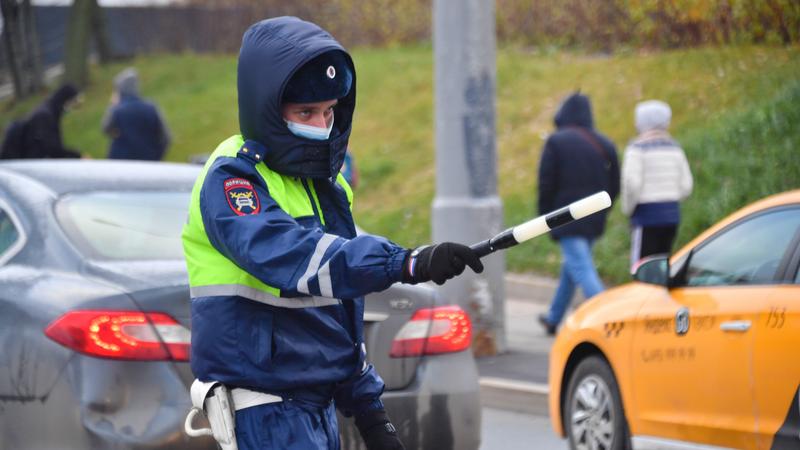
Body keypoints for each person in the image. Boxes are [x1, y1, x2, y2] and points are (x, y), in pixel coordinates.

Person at [181, 16, 483, 450]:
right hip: (264, 412)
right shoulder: (234, 179)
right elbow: (294, 257)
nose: (321, 125)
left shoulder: (325, 186)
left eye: (328, 111)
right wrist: (405, 262)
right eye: (305, 112)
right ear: (267, 109)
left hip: (314, 412)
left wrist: (371, 415)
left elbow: (337, 312)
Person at [536, 92, 619, 335]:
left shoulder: (556, 142)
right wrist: (603, 208)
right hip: (594, 217)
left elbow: (546, 183)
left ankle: (610, 318)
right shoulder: (604, 143)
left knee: (581, 268)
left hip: (566, 216)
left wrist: (545, 217)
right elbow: (615, 184)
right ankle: (553, 317)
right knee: (573, 266)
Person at [621, 100, 693, 271]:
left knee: (641, 267)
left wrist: (628, 209)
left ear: (641, 123)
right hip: (672, 215)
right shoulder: (675, 148)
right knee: (662, 264)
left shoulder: (636, 149)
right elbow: (686, 186)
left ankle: (642, 289)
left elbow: (631, 184)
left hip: (646, 216)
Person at [102, 67, 171, 160]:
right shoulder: (152, 108)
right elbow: (166, 137)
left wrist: (112, 105)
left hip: (120, 161)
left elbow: (105, 128)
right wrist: (157, 156)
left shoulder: (117, 110)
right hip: (148, 160)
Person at [0, 84, 82, 159]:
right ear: (66, 99)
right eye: (72, 102)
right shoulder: (45, 116)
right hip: (28, 161)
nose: (71, 107)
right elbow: (53, 149)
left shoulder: (50, 112)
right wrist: (77, 156)